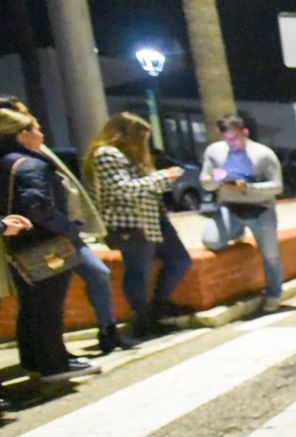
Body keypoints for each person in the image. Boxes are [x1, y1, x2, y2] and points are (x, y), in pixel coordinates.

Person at [0, 96, 121, 351]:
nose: (40, 131)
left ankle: (42, 357)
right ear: (19, 130)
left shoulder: (20, 156)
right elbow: (37, 205)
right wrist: (69, 228)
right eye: (33, 125)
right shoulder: (24, 159)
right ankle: (53, 359)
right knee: (46, 303)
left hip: (39, 235)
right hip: (48, 237)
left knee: (36, 302)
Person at [85, 113, 193, 342]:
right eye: (141, 138)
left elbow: (141, 187)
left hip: (153, 220)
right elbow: (122, 189)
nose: (144, 144)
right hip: (129, 223)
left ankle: (158, 308)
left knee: (180, 260)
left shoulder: (131, 156)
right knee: (138, 272)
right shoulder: (106, 154)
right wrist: (163, 177)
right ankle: (143, 320)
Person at [200, 114, 285, 312]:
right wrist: (215, 179)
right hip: (230, 207)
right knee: (210, 241)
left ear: (244, 133)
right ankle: (236, 231)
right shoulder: (214, 152)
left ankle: (274, 294)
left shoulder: (263, 154)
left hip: (261, 209)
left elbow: (277, 186)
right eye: (226, 138)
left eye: (235, 138)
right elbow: (205, 182)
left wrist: (248, 187)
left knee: (270, 255)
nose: (231, 143)